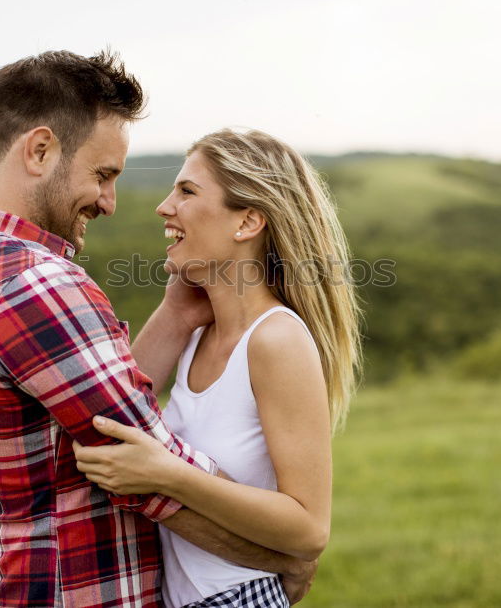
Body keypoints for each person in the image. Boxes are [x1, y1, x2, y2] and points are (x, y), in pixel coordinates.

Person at [0, 51, 316, 608]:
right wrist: (282, 559)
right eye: (103, 175)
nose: (110, 202)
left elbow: (105, 411)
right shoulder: (36, 283)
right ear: (39, 150)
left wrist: (176, 317)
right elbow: (147, 466)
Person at [73, 128, 363, 607]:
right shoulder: (198, 330)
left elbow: (310, 528)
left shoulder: (276, 339)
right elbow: (112, 413)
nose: (164, 207)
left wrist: (169, 475)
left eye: (187, 191)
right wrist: (175, 314)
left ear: (247, 222)